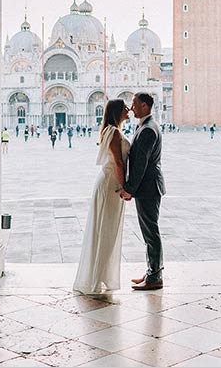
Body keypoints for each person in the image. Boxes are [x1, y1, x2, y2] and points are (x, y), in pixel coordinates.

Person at [73, 99, 130, 294]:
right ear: (117, 112)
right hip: (111, 184)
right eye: (125, 108)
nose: (128, 109)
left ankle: (102, 274)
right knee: (106, 230)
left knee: (106, 230)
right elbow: (119, 163)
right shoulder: (113, 132)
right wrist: (124, 187)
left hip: (107, 182)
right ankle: (96, 277)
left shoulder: (109, 130)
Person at [118, 92, 165, 291]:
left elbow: (140, 164)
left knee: (151, 232)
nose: (132, 107)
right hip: (148, 187)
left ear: (145, 105)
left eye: (135, 104)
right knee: (148, 232)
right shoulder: (145, 126)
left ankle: (155, 276)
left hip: (148, 187)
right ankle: (151, 271)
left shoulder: (147, 130)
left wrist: (129, 189)